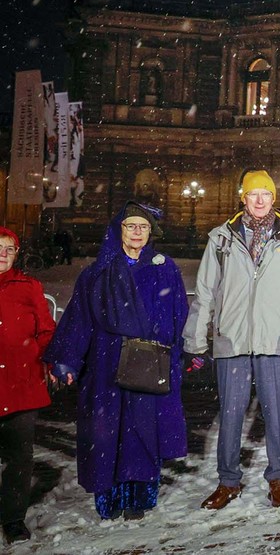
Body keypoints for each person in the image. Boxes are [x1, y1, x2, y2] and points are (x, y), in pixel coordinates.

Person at [44, 203, 192, 521]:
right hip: (106, 361)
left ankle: (138, 498)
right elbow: (79, 318)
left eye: (143, 227)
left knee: (142, 430)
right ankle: (108, 499)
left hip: (147, 361)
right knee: (106, 431)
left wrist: (175, 350)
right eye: (130, 226)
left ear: (151, 233)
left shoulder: (164, 268)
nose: (137, 232)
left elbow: (179, 314)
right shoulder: (97, 273)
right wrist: (67, 359)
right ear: (118, 230)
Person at [184, 170, 280, 510]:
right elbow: (204, 292)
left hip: (275, 340)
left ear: (274, 199)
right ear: (242, 198)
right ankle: (228, 481)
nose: (259, 200)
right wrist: (196, 339)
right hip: (232, 339)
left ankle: (277, 478)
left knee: (276, 413)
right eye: (253, 194)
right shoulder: (221, 238)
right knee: (230, 414)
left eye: (266, 194)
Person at [0, 227, 56, 543]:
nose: (3, 254)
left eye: (10, 249)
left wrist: (50, 361)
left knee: (20, 457)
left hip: (21, 381)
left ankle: (12, 517)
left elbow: (46, 331)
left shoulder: (29, 286)